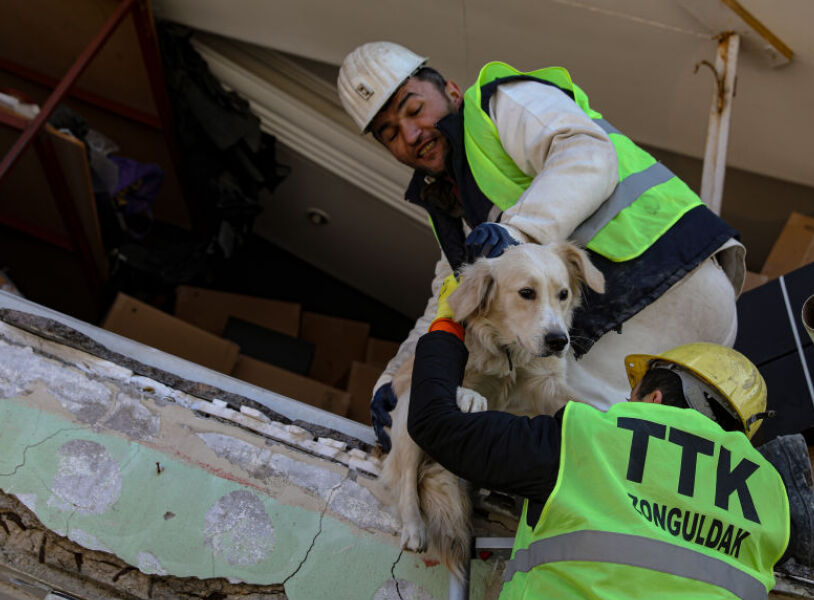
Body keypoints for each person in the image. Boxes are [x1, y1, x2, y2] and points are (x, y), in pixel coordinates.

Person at [337, 42, 747, 451]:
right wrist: (391, 381)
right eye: (390, 133)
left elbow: (585, 154)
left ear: (452, 91)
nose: (410, 134)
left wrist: (519, 233)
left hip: (667, 284)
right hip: (636, 320)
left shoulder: (498, 105)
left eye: (413, 110)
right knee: (618, 457)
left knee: (516, 413)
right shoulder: (456, 209)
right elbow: (448, 302)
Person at [407, 290, 790, 599]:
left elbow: (436, 423)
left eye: (632, 397)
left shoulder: (591, 436)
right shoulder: (771, 498)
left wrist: (446, 323)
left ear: (654, 399)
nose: (624, 408)